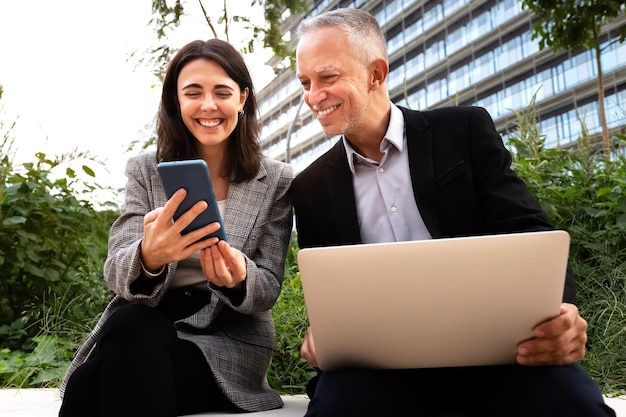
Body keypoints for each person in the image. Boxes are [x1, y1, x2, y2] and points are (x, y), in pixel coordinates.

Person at [291, 7, 616, 417]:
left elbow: (529, 234)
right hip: (378, 370)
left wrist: (562, 316)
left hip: (495, 354)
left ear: (376, 73)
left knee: (574, 404)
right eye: (305, 82)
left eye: (328, 77)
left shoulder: (462, 132)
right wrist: (322, 336)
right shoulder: (310, 187)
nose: (312, 96)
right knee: (335, 409)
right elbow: (330, 296)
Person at [58, 38, 293, 417]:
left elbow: (268, 286)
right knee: (131, 326)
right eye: (193, 93)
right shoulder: (144, 170)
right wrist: (150, 255)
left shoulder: (277, 180)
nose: (208, 105)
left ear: (243, 98)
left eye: (222, 92)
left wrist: (238, 277)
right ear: (176, 101)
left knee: (91, 388)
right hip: (148, 322)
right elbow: (116, 268)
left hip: (226, 341)